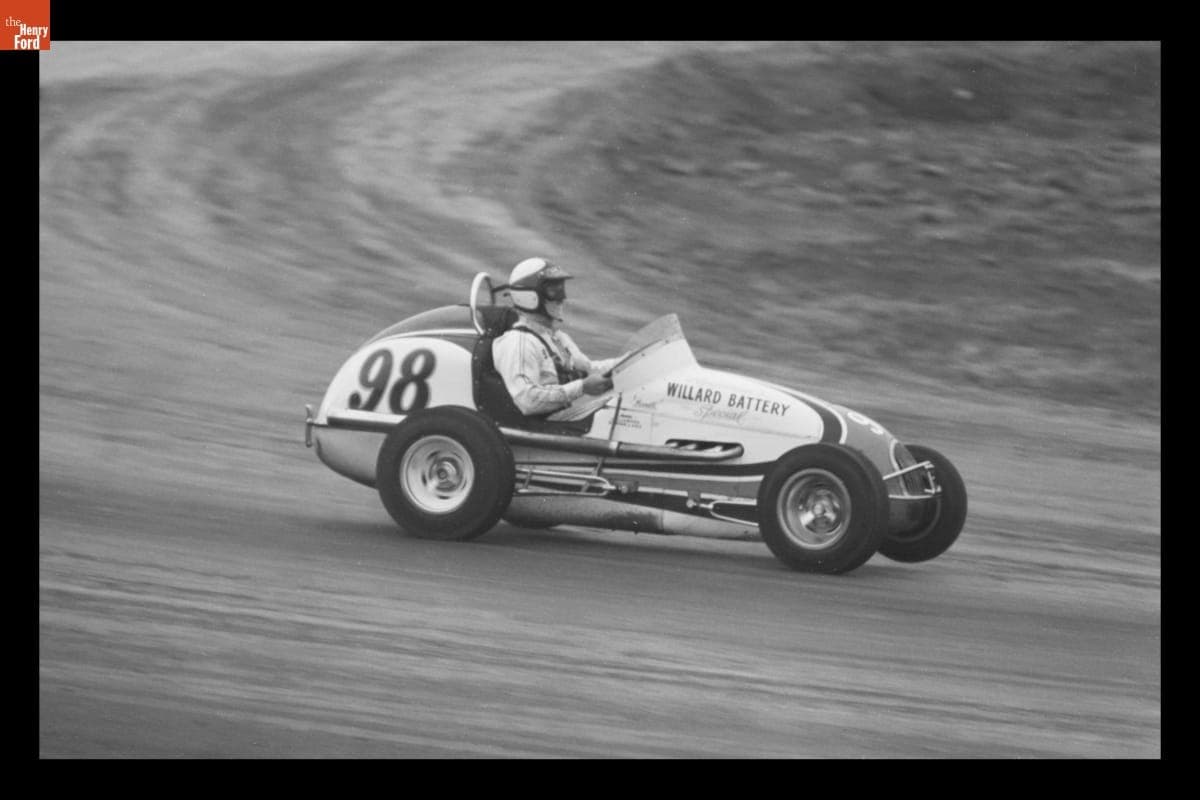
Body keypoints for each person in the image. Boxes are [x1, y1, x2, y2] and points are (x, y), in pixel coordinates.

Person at [492, 257, 618, 417]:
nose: (562, 297)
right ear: (530, 296)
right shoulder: (519, 342)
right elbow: (527, 400)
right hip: (539, 428)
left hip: (562, 421)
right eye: (554, 291)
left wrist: (629, 361)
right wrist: (582, 388)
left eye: (561, 289)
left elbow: (589, 369)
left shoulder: (557, 338)